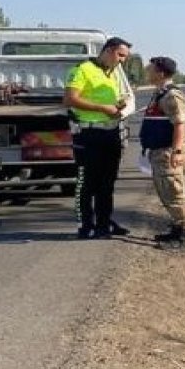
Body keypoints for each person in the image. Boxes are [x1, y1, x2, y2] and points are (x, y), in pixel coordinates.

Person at [65, 37, 134, 239]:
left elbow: (109, 99)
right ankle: (85, 226)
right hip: (89, 134)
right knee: (87, 183)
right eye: (120, 55)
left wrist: (119, 106)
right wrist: (101, 108)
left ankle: (104, 225)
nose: (122, 61)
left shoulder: (112, 73)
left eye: (125, 57)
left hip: (111, 132)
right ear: (109, 50)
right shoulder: (82, 69)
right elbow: (69, 99)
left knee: (107, 183)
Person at [139, 56, 185, 250]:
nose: (148, 72)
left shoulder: (172, 95)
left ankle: (183, 237)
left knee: (175, 193)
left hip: (168, 152)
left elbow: (179, 124)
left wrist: (177, 151)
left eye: (150, 69)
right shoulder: (159, 93)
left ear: (160, 73)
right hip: (158, 152)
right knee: (166, 192)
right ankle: (176, 230)